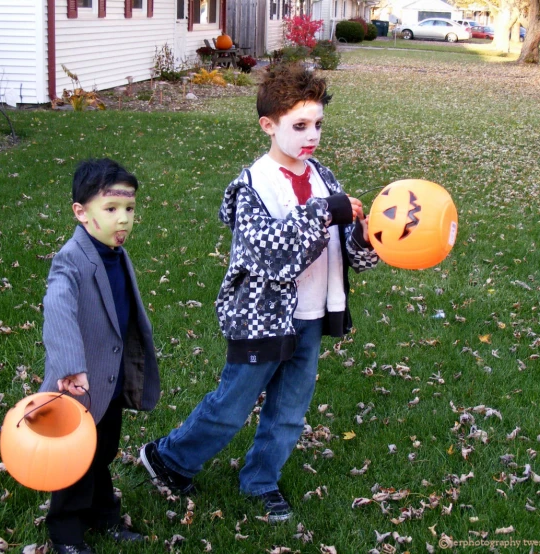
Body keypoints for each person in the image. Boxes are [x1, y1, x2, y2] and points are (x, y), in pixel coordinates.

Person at [140, 63, 378, 523]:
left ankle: (260, 481)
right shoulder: (253, 186)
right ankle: (169, 459)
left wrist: (366, 238)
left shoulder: (323, 177)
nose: (312, 136)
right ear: (268, 126)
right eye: (300, 126)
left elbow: (343, 250)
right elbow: (272, 257)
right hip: (260, 318)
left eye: (318, 125)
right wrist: (324, 212)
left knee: (289, 412)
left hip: (309, 316)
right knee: (232, 406)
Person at [40, 158, 160, 554]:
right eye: (110, 210)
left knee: (103, 451)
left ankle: (102, 514)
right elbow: (57, 307)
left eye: (129, 209)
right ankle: (64, 532)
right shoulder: (71, 259)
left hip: (106, 380)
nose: (122, 219)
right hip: (78, 385)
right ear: (81, 212)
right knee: (75, 461)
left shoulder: (113, 251)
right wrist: (70, 367)